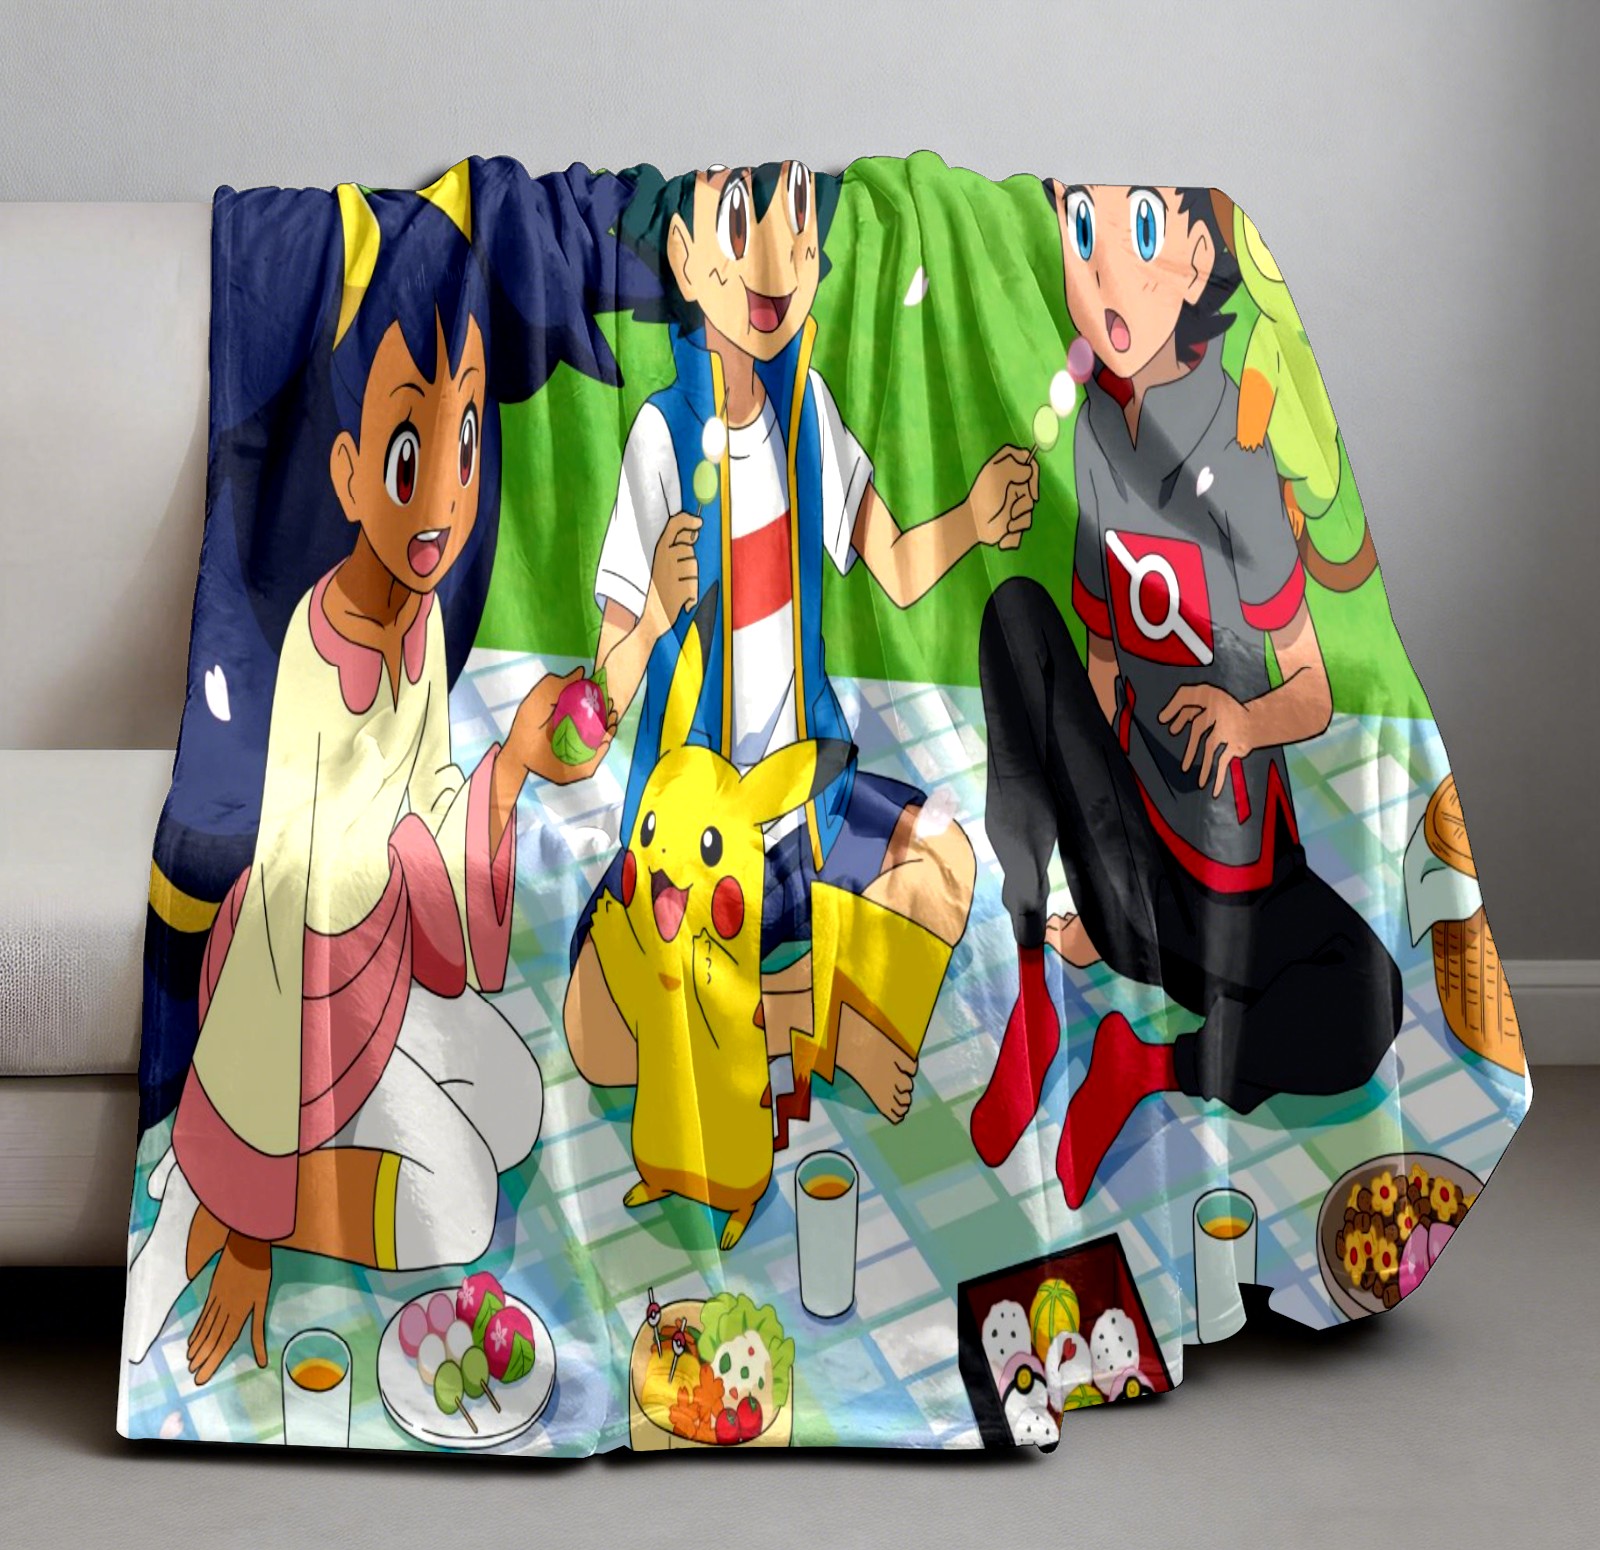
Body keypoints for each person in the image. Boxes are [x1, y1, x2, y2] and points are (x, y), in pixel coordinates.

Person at [125, 164, 625, 1384]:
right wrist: (253, 1221)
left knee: (517, 1109)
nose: (442, 498)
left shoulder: (424, 619)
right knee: (459, 1212)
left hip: (383, 980)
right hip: (289, 1017)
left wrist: (513, 765)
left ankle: (280, 1175)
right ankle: (222, 1202)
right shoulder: (319, 655)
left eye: (465, 445)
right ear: (347, 475)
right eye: (409, 458)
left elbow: (437, 801)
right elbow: (285, 902)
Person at [564, 162, 1037, 1132]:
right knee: (592, 1030)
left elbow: (894, 567)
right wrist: (653, 614)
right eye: (741, 224)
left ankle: (765, 1017)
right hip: (696, 848)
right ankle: (812, 1020)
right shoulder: (661, 437)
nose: (778, 258)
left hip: (807, 815)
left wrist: (975, 520)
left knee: (951, 865)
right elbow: (604, 691)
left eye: (799, 222)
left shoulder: (808, 411)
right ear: (685, 260)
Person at [972, 182, 1402, 1207]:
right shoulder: (1092, 435)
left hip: (1234, 892)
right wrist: (1089, 847)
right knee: (1018, 616)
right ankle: (1031, 990)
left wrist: (1245, 719)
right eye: (1082, 236)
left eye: (1137, 235)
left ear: (1198, 261)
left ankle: (1146, 1064)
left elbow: (1312, 690)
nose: (1104, 274)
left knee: (1367, 999)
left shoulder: (1240, 453)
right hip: (1132, 874)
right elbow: (1102, 657)